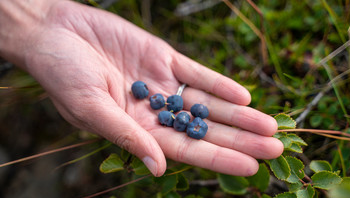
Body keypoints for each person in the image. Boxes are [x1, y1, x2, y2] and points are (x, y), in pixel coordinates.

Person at [0, 0, 283, 177]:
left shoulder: (173, 110)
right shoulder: (167, 108)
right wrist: (37, 26)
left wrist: (41, 18)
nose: (185, 119)